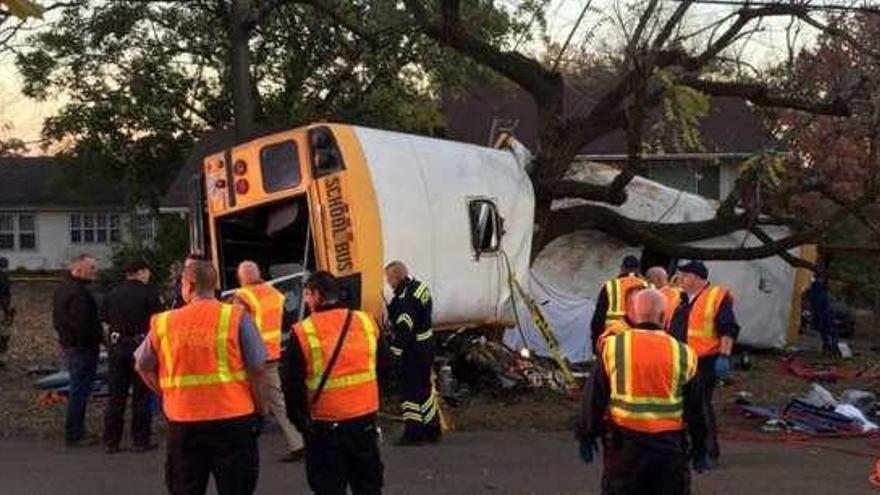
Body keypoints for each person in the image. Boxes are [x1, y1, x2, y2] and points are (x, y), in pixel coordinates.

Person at [135, 260, 267, 495]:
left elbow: (142, 365)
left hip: (183, 420)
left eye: (182, 284)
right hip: (233, 417)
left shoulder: (164, 322)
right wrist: (260, 407)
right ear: (214, 285)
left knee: (185, 487)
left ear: (190, 285)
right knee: (237, 486)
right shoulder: (236, 317)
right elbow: (257, 368)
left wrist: (167, 394)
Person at [576, 289, 697, 495]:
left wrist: (587, 433)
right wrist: (702, 444)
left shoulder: (612, 347)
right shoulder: (684, 353)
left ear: (635, 314)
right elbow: (696, 405)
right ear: (663, 316)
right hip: (668, 449)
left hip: (625, 447)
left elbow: (595, 395)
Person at [281, 271, 383, 495]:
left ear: (317, 295)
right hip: (364, 421)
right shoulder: (366, 321)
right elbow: (383, 365)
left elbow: (290, 384)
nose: (306, 300)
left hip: (324, 425)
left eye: (307, 294)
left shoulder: (303, 331)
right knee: (368, 486)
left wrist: (300, 422)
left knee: (328, 487)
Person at [668, 261, 739, 472]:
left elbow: (728, 328)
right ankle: (685, 449)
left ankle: (708, 451)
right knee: (680, 407)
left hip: (705, 361)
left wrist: (724, 356)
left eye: (685, 275)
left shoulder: (716, 297)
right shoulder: (678, 298)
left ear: (698, 278)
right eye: (681, 275)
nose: (681, 278)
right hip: (678, 361)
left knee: (700, 405)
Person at [234, 260, 306, 463]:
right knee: (274, 398)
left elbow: (236, 327)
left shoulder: (242, 297)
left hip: (250, 357)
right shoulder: (274, 293)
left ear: (241, 278)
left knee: (246, 397)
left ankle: (298, 441)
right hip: (272, 353)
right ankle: (297, 440)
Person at [100, 258, 162, 454]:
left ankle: (112, 441)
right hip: (141, 347)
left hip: (118, 348)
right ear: (141, 272)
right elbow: (159, 320)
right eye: (147, 272)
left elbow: (105, 321)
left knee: (116, 396)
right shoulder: (150, 293)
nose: (148, 276)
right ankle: (140, 440)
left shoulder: (112, 294)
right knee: (141, 396)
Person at [384, 260, 440, 445]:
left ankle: (413, 433)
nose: (388, 283)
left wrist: (394, 353)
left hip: (413, 351)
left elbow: (404, 327)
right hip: (427, 346)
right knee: (425, 390)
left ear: (396, 277)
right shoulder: (419, 287)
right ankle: (432, 429)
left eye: (389, 279)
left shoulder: (405, 299)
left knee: (409, 392)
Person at [53, 253, 103, 446]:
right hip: (82, 347)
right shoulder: (79, 293)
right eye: (92, 268)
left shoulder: (64, 289)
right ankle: (75, 433)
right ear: (79, 268)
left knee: (78, 389)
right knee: (80, 390)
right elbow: (83, 324)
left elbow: (59, 319)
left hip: (72, 345)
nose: (95, 273)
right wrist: (97, 339)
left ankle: (76, 430)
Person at [590, 255, 649, 352]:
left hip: (613, 341)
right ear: (638, 270)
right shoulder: (649, 287)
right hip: (641, 342)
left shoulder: (610, 286)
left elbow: (598, 319)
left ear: (622, 268)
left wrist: (596, 345)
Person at [807, 274, 837, 357]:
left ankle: (828, 348)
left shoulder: (817, 288)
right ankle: (830, 348)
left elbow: (814, 300)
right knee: (828, 331)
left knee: (825, 331)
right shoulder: (819, 288)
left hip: (821, 311)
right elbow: (818, 300)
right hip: (823, 311)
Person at [645, 266, 681, 330]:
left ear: (657, 279)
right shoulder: (676, 293)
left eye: (648, 278)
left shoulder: (656, 296)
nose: (646, 282)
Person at [0, 256, 14, 370]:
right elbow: (6, 293)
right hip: (4, 310)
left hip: (4, 309)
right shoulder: (4, 277)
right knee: (4, 336)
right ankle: (2, 360)